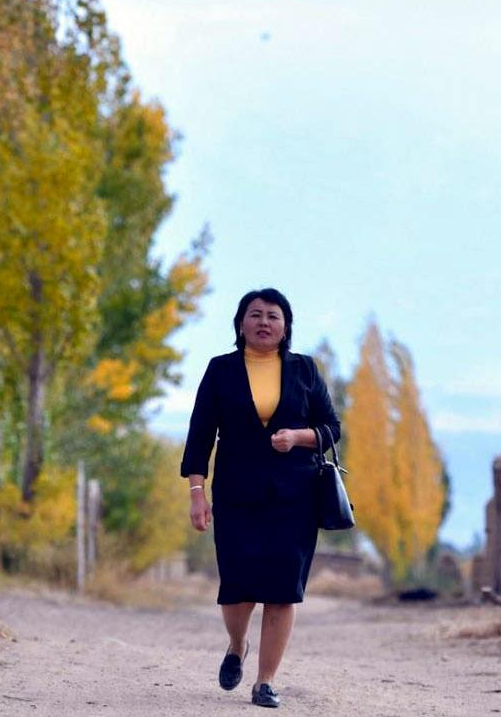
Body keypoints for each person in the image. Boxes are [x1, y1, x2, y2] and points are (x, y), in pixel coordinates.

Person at [180, 287, 341, 709]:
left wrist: (299, 437)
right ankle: (237, 645)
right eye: (255, 314)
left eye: (273, 315)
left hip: (295, 497)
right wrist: (197, 493)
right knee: (236, 587)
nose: (264, 321)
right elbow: (199, 438)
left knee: (283, 590)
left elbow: (331, 428)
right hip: (236, 495)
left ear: (286, 327)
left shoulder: (305, 370)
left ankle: (265, 681)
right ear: (240, 324)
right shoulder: (221, 371)